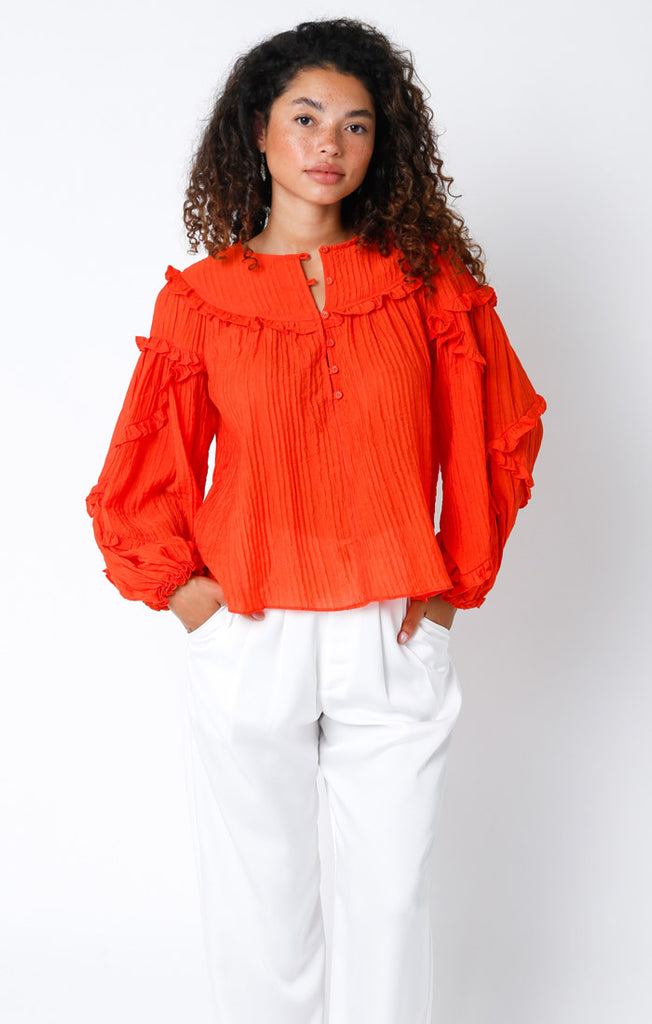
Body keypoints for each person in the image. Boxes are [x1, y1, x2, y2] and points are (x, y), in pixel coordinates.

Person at [85, 17, 546, 1024]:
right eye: (305, 118)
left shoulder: (426, 283)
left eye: (356, 124)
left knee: (390, 900)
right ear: (257, 129)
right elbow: (144, 466)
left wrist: (452, 583)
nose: (329, 143)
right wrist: (191, 599)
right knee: (260, 907)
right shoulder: (203, 300)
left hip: (393, 625)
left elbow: (498, 429)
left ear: (382, 144)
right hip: (250, 625)